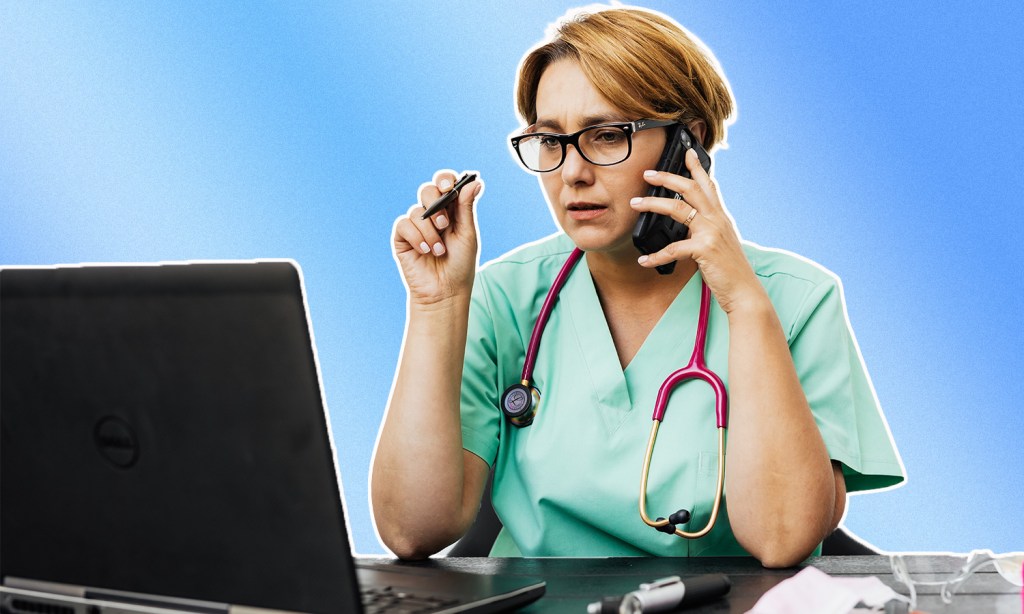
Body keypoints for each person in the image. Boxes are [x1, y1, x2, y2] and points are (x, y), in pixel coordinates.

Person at [371, 5, 905, 567]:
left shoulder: (797, 300)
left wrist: (745, 305)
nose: (572, 172)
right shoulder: (504, 298)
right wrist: (438, 304)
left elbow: (783, 541)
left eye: (606, 136)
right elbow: (411, 530)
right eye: (550, 141)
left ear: (688, 144)